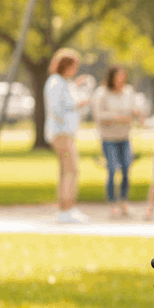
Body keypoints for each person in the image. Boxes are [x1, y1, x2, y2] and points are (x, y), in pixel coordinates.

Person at [44, 48, 94, 224]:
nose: (75, 71)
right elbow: (58, 107)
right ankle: (68, 209)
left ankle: (64, 208)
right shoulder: (56, 82)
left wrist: (75, 86)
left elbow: (65, 95)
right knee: (72, 170)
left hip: (63, 132)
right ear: (66, 66)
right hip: (62, 132)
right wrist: (78, 103)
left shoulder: (61, 82)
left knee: (65, 171)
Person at [92, 65, 141, 218]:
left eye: (124, 77)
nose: (122, 80)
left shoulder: (128, 92)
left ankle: (124, 202)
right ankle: (112, 202)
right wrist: (117, 118)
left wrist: (135, 113)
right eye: (119, 77)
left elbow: (135, 110)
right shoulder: (102, 93)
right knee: (112, 169)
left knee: (126, 168)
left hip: (124, 137)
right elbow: (98, 115)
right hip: (108, 138)